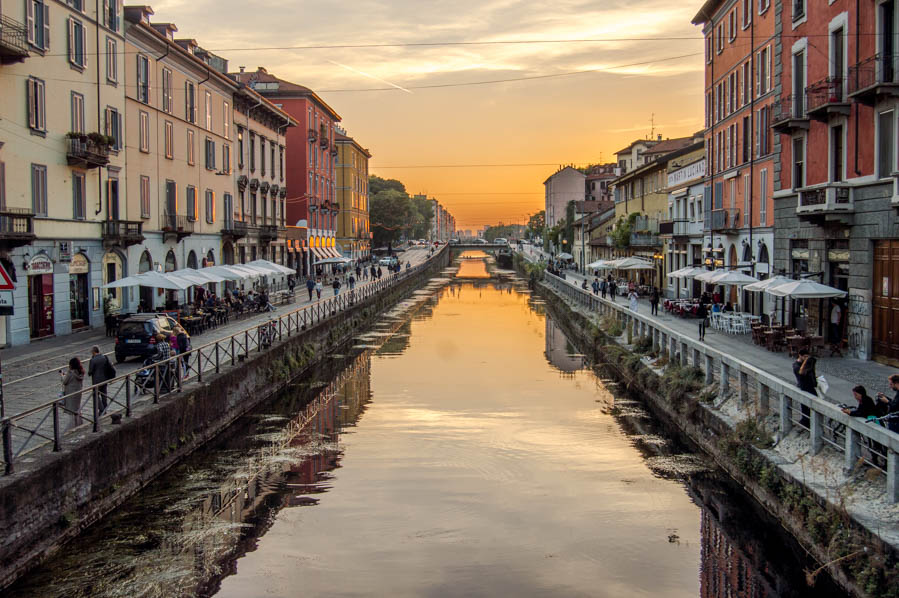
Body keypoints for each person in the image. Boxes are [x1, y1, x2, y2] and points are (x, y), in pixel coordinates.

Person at [792, 348, 816, 428]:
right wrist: (806, 362)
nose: (806, 358)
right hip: (804, 386)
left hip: (810, 385)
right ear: (800, 356)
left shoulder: (806, 363)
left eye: (807, 357)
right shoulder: (796, 365)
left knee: (811, 404)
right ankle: (806, 421)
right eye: (804, 357)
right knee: (805, 405)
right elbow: (801, 373)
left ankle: (808, 420)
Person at [60, 357, 85, 430]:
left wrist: (62, 375)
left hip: (71, 394)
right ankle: (80, 423)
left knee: (71, 411)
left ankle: (69, 429)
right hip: (78, 392)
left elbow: (64, 381)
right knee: (77, 408)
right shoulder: (80, 372)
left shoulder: (70, 372)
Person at [87, 346, 113, 414]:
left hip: (96, 381)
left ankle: (101, 409)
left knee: (95, 395)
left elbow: (90, 371)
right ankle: (105, 409)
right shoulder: (104, 357)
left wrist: (89, 372)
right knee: (104, 394)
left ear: (93, 352)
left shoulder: (92, 360)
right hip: (105, 379)